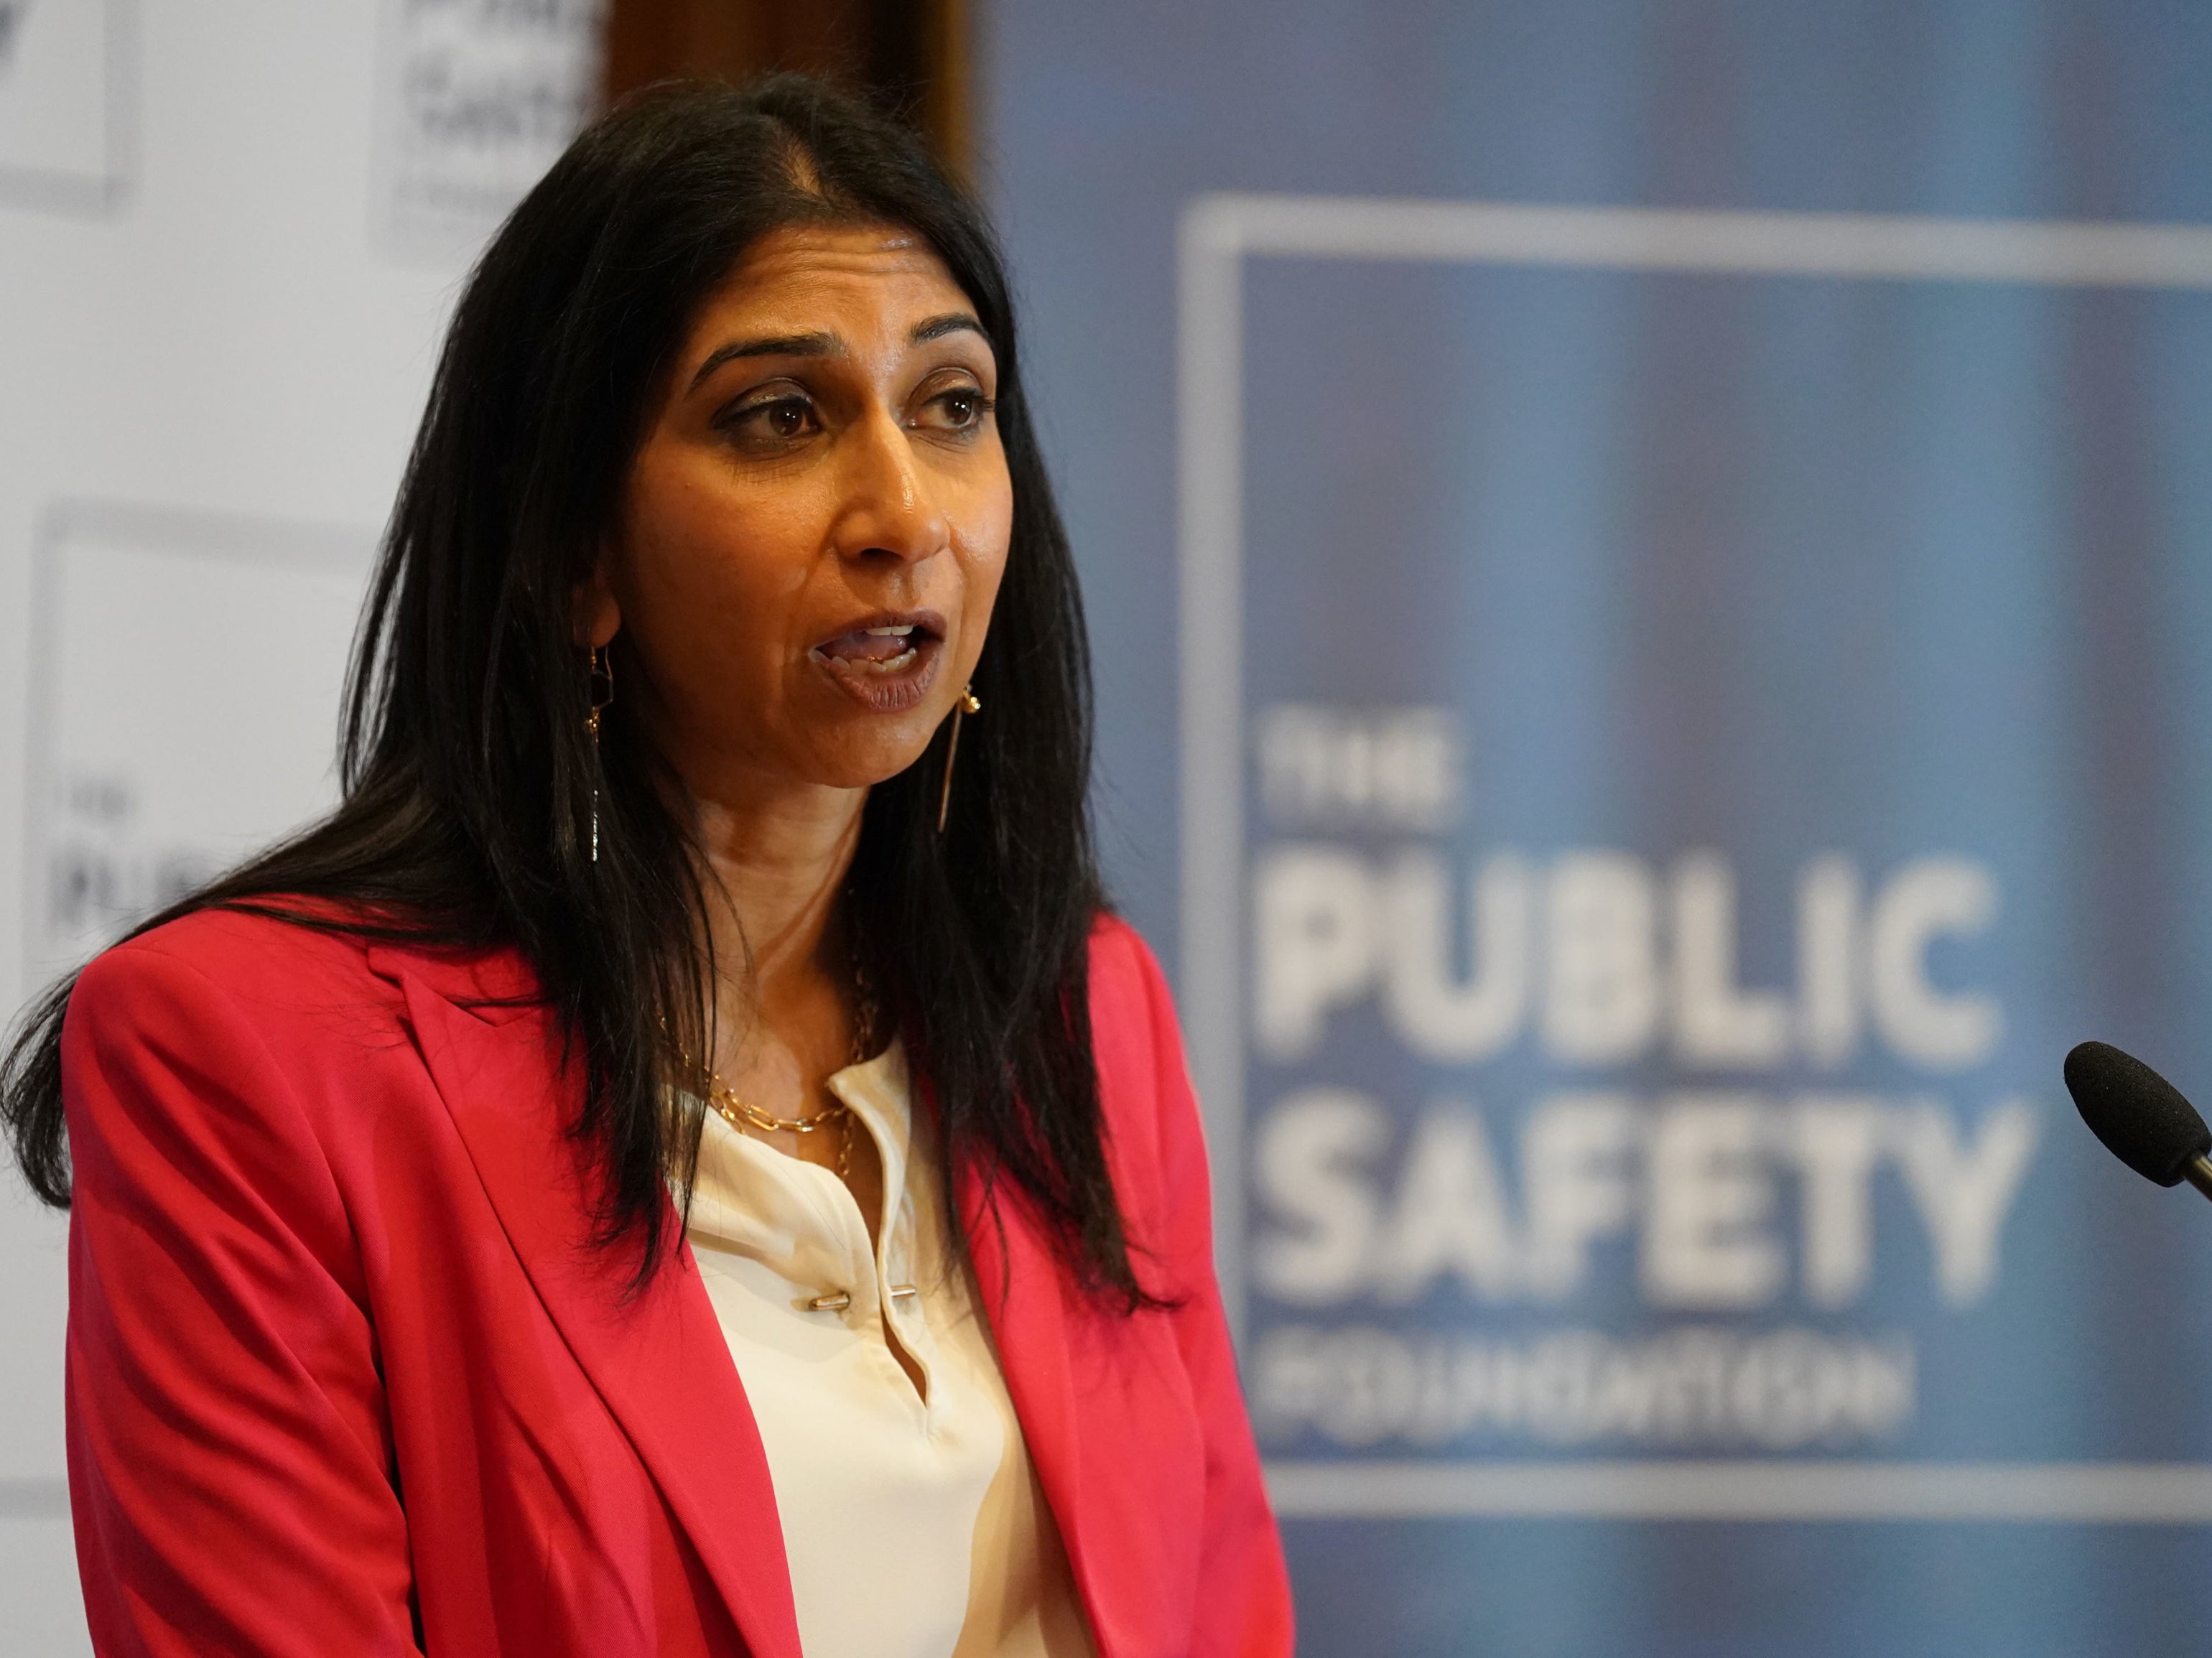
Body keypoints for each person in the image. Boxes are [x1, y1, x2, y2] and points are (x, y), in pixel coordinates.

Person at [1, 77, 1292, 1658]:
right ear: (574, 553)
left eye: (950, 405)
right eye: (781, 419)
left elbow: (1219, 1611)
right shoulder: (252, 1055)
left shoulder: (1081, 1006)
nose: (903, 511)